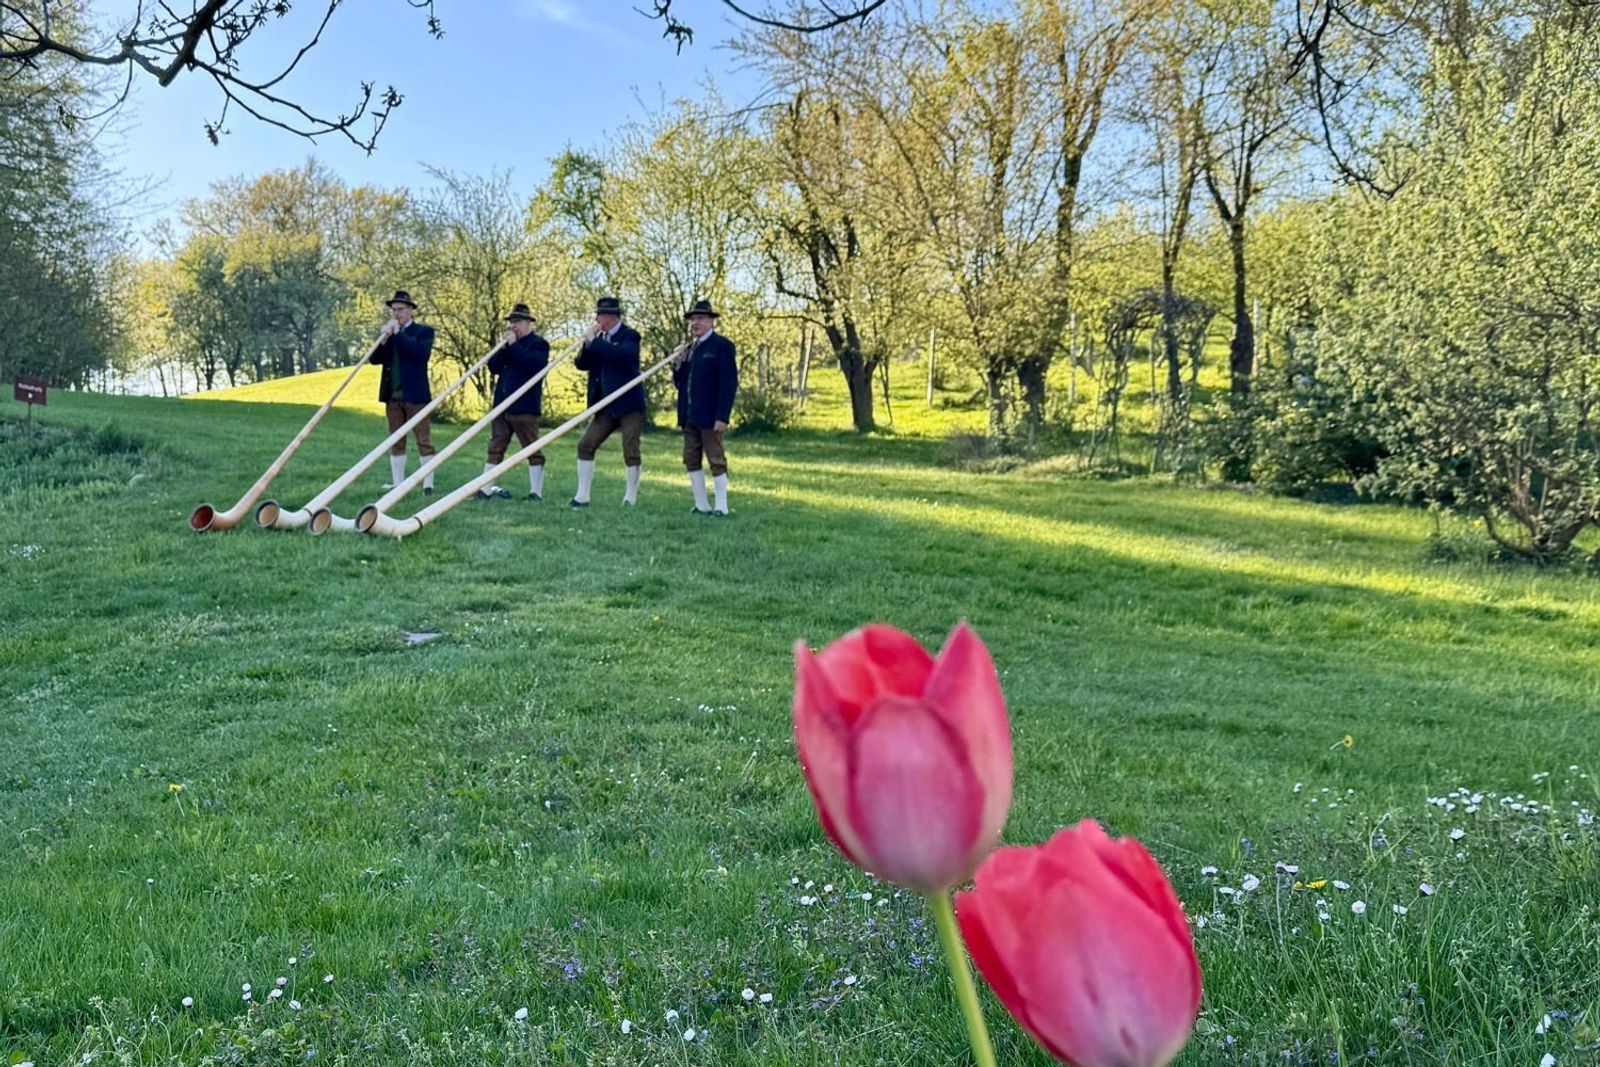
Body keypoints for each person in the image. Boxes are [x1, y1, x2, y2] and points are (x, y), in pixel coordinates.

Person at [570, 296, 645, 507]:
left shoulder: (630, 336)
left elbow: (621, 355)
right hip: (604, 405)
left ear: (611, 317)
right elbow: (581, 364)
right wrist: (587, 344)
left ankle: (630, 497)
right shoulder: (598, 339)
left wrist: (596, 342)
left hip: (629, 404)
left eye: (600, 315)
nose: (597, 319)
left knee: (630, 449)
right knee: (585, 445)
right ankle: (582, 496)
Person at [671, 299, 738, 516]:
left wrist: (722, 416)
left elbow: (728, 384)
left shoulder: (722, 346)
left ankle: (721, 506)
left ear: (711, 321)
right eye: (692, 319)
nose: (695, 323)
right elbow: (680, 382)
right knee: (691, 458)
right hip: (689, 414)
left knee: (716, 459)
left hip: (711, 415)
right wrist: (678, 364)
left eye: (700, 318)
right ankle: (701, 505)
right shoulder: (690, 348)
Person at [478, 303, 551, 500]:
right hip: (502, 403)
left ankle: (536, 492)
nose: (513, 326)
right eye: (511, 322)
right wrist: (503, 347)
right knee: (496, 446)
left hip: (525, 406)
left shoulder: (539, 344)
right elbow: (493, 366)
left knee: (531, 448)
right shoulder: (508, 345)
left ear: (528, 323)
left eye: (517, 322)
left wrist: (513, 346)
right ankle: (485, 489)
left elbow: (533, 366)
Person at [369, 289, 437, 493]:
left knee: (423, 439)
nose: (396, 314)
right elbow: (375, 359)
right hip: (393, 394)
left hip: (415, 394)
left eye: (400, 309)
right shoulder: (390, 335)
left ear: (410, 311)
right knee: (396, 439)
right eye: (394, 310)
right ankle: (398, 484)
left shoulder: (423, 332)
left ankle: (428, 484)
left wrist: (399, 334)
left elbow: (419, 354)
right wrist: (382, 341)